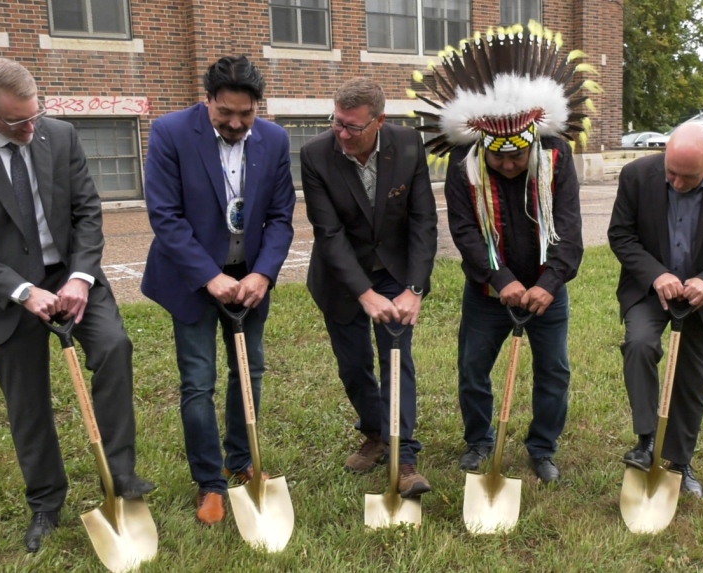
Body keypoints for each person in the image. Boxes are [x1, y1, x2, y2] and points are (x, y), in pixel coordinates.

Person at [0, 58, 152, 553]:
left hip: (71, 277)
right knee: (27, 402)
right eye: (16, 121)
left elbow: (87, 212)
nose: (30, 127)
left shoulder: (60, 135)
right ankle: (46, 503)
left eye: (36, 112)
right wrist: (23, 291)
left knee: (114, 348)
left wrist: (79, 276)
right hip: (10, 292)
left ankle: (120, 476)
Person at [407, 22, 598, 483]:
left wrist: (549, 284)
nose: (509, 165)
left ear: (533, 143)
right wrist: (502, 279)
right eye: (500, 159)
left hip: (546, 292)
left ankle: (542, 448)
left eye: (517, 157)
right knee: (473, 370)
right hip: (488, 294)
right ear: (481, 147)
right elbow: (466, 233)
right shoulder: (463, 167)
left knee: (553, 372)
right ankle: (479, 442)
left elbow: (569, 231)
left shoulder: (555, 160)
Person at [141, 55, 296, 525]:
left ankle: (240, 459)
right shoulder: (170, 133)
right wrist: (211, 277)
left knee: (250, 371)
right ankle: (210, 483)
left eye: (245, 114)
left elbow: (281, 217)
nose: (234, 123)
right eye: (224, 112)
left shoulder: (275, 139)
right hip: (191, 281)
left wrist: (262, 274)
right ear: (207, 100)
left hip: (249, 281)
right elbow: (165, 216)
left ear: (257, 107)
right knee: (198, 381)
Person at [608, 123, 703, 499]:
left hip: (702, 297)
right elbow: (620, 234)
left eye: (687, 177)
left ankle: (679, 462)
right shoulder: (637, 176)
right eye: (670, 172)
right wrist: (656, 274)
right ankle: (646, 441)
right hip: (649, 289)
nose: (676, 183)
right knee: (641, 344)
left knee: (691, 376)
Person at [302, 78, 438, 497]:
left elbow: (422, 221)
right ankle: (376, 434)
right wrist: (364, 293)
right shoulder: (315, 156)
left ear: (379, 121)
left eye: (352, 127)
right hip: (341, 277)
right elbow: (328, 233)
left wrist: (413, 289)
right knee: (354, 364)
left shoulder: (409, 145)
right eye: (336, 122)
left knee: (397, 360)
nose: (341, 134)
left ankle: (405, 457)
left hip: (395, 273)